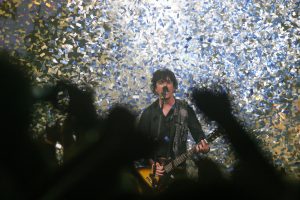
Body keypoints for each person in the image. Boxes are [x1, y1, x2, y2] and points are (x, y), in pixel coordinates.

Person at [137, 68, 210, 191]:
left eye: (168, 82)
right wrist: (152, 164)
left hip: (179, 173)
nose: (165, 86)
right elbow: (139, 145)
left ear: (174, 86)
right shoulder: (148, 113)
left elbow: (199, 135)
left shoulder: (185, 110)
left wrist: (204, 146)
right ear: (155, 88)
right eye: (161, 82)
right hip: (154, 176)